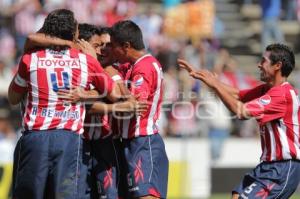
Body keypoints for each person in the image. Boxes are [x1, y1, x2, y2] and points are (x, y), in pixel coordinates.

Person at [8, 9, 121, 199]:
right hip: (68, 140)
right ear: (74, 34)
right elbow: (115, 94)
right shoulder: (86, 61)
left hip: (35, 137)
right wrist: (87, 93)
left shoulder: (30, 59)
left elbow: (12, 98)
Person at [178, 43, 300, 199]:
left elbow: (241, 111)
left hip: (283, 168)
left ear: (277, 65)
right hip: (269, 166)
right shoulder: (268, 89)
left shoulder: (281, 95)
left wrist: (215, 84)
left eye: (263, 61)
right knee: (237, 195)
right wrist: (206, 79)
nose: (259, 64)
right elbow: (238, 94)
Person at [109, 20, 169, 199]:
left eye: (113, 46)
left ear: (126, 46)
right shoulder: (131, 66)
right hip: (130, 142)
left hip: (143, 142)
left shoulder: (144, 67)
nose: (111, 51)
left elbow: (134, 106)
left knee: (145, 195)